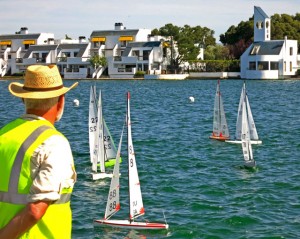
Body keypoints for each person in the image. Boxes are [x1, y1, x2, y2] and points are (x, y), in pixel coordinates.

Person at [0, 65, 78, 238]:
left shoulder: (3, 134)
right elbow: (35, 211)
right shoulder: (54, 143)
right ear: (61, 101)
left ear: (23, 99)